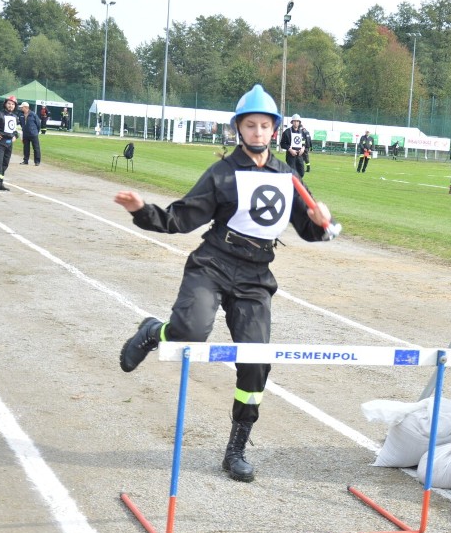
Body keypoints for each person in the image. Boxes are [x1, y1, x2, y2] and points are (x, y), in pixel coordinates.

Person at [114, 84, 340, 484]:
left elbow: (309, 228)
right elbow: (180, 218)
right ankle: (153, 332)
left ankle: (236, 448)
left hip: (256, 277)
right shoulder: (222, 173)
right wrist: (141, 210)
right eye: (250, 125)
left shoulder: (288, 175)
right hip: (213, 264)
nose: (257, 132)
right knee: (189, 332)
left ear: (275, 131)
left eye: (264, 126)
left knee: (256, 363)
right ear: (239, 128)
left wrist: (323, 223)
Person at [279, 113, 307, 177]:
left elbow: (304, 142)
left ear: (299, 122)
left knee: (301, 172)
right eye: (294, 121)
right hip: (290, 156)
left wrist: (303, 148)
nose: (296, 123)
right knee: (292, 173)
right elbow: (282, 144)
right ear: (292, 122)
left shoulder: (302, 132)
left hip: (299, 155)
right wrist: (290, 149)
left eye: (297, 121)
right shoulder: (287, 132)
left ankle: (297, 185)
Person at [18, 102, 42, 166]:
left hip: (33, 133)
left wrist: (36, 131)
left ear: (26, 107)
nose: (21, 108)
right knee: (26, 148)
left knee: (36, 148)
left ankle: (37, 161)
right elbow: (21, 123)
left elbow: (38, 124)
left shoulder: (33, 114)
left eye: (22, 107)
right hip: (25, 134)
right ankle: (25, 161)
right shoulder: (21, 115)